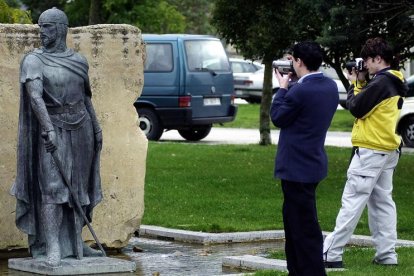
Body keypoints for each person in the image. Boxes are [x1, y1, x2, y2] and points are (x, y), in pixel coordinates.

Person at [12, 7, 103, 266]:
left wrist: (96, 128)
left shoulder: (79, 61)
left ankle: (77, 245)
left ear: (61, 29)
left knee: (78, 189)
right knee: (52, 187)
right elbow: (35, 96)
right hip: (52, 128)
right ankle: (52, 246)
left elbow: (86, 98)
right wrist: (48, 128)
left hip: (82, 127)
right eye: (40, 26)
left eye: (47, 27)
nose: (41, 32)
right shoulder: (33, 60)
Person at [323, 37, 408, 268]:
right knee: (383, 203)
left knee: (352, 201)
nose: (365, 67)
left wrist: (355, 83)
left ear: (378, 59)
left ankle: (331, 253)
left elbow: (356, 107)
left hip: (371, 151)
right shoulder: (395, 80)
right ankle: (387, 255)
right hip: (388, 150)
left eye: (368, 61)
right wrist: (362, 82)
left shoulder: (380, 83)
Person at [271, 41, 339, 275]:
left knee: (303, 227)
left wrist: (282, 88)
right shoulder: (329, 86)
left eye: (293, 61)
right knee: (294, 222)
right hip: (313, 162)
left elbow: (278, 117)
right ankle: (297, 270)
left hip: (295, 167)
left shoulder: (300, 90)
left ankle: (310, 271)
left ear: (299, 62)